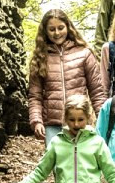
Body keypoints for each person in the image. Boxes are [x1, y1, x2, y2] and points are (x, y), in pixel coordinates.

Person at [26, 8, 107, 144]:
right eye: (52, 29)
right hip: (52, 124)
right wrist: (36, 121)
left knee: (81, 163)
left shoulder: (84, 53)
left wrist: (103, 118)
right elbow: (35, 95)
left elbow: (97, 90)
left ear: (68, 27)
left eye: (60, 28)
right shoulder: (40, 58)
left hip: (80, 121)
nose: (57, 33)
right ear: (45, 31)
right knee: (58, 164)